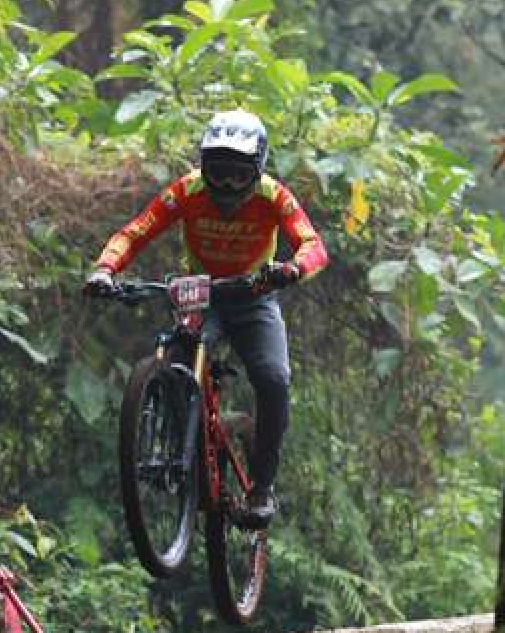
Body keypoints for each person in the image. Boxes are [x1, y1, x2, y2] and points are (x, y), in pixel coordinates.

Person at [84, 110, 328, 528]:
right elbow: (135, 232)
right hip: (204, 295)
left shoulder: (274, 196)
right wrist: (106, 269)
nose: (226, 185)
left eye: (238, 175)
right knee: (177, 359)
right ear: (202, 165)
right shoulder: (187, 190)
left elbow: (312, 244)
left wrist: (291, 270)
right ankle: (181, 444)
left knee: (273, 380)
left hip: (255, 299)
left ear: (257, 170)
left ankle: (262, 487)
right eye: (217, 171)